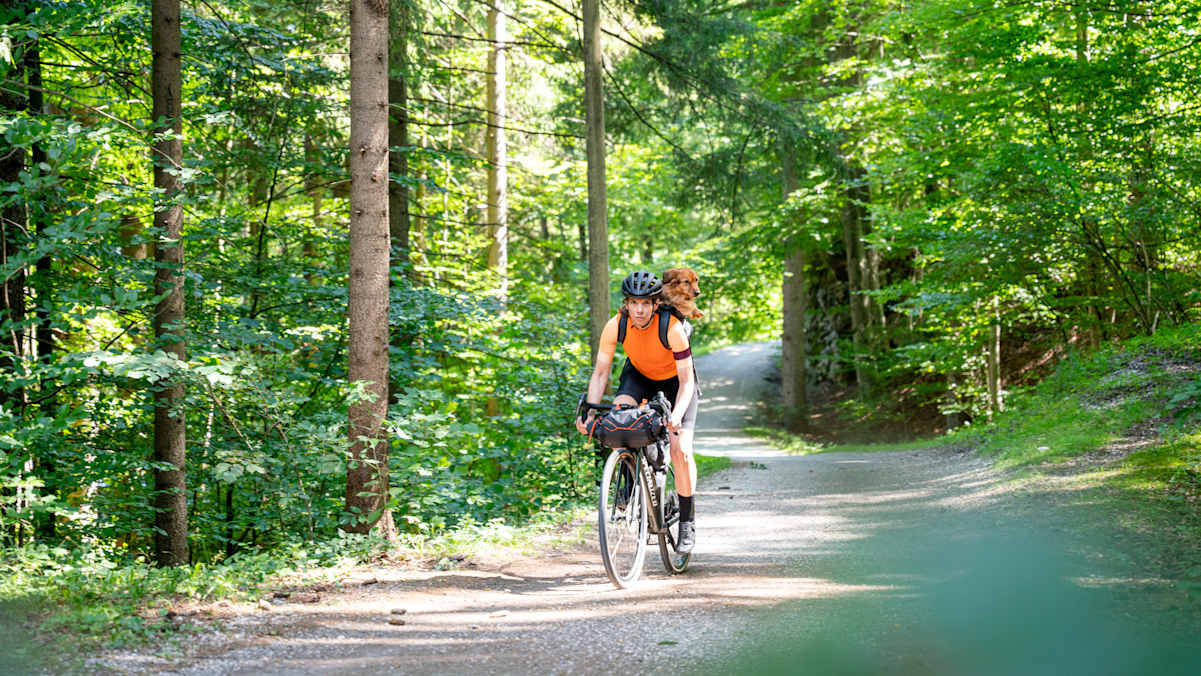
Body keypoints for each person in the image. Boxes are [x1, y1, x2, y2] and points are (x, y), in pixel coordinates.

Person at [576, 270, 700, 554]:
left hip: (676, 382)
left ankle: (687, 522)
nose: (639, 309)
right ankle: (628, 481)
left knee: (680, 448)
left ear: (656, 304)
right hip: (639, 375)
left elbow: (687, 381)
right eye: (633, 303)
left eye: (646, 303)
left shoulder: (672, 327)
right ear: (627, 304)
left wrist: (677, 414)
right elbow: (600, 373)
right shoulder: (616, 325)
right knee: (620, 419)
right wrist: (591, 413)